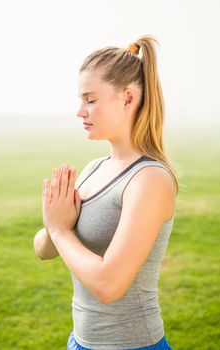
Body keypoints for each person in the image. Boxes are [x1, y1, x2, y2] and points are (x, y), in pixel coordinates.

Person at [33, 34, 180, 350]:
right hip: (81, 343)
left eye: (90, 99)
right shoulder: (93, 170)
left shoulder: (149, 179)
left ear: (127, 98)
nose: (80, 111)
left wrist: (60, 230)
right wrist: (53, 225)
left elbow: (108, 284)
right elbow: (44, 249)